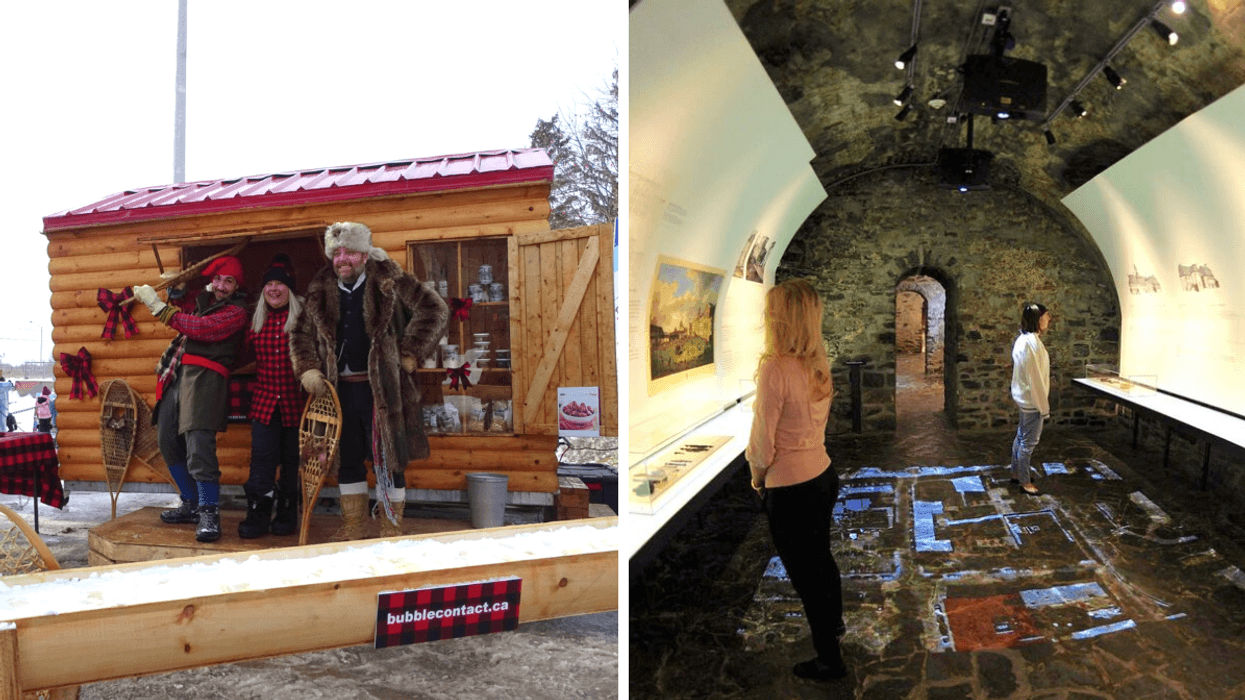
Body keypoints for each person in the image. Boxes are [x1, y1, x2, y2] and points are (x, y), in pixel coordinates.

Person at [290, 222, 448, 540]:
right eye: (336, 253)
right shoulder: (321, 288)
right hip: (338, 393)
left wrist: (411, 351)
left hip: (385, 392)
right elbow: (299, 333)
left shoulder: (390, 280)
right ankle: (355, 529)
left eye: (348, 252)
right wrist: (307, 368)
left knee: (389, 462)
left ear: (363, 254)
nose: (341, 259)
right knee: (348, 461)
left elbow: (436, 309)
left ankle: (391, 529)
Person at [745, 278, 847, 681]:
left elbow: (762, 440)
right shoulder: (817, 364)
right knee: (821, 559)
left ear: (782, 318)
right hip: (822, 474)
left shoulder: (775, 368)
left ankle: (829, 658)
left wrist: (756, 478)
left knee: (806, 576)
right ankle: (833, 626)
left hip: (789, 486)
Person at [134, 255, 250, 543]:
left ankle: (210, 514)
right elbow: (187, 312)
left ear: (237, 286)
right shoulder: (205, 301)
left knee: (199, 445)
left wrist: (157, 305)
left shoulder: (237, 311)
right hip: (178, 374)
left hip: (207, 379)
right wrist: (177, 290)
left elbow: (201, 329)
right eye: (219, 279)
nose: (222, 285)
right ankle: (191, 503)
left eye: (229, 281)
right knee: (167, 441)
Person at [238, 254, 307, 539]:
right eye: (269, 284)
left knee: (292, 460)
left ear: (289, 289)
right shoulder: (256, 323)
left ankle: (288, 511)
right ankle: (259, 512)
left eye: (280, 284)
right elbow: (239, 357)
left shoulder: (302, 320)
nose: (274, 289)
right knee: (262, 461)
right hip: (265, 404)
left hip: (296, 403)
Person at [1009, 302, 1052, 495]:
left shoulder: (1025, 340)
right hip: (1032, 401)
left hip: (1027, 399)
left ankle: (1016, 473)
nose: (1049, 319)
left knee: (1021, 436)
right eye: (1046, 316)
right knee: (1028, 442)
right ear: (1037, 319)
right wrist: (1043, 407)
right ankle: (1025, 482)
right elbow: (1034, 378)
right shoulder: (1030, 343)